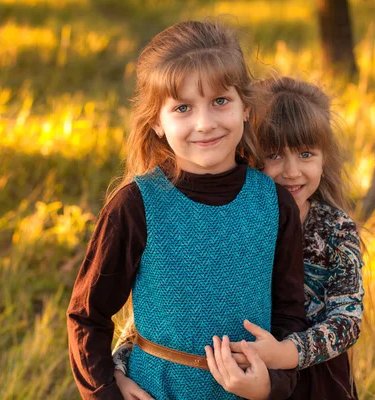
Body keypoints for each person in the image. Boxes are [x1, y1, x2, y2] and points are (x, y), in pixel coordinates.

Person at [66, 22, 309, 400]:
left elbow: (291, 318)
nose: (204, 123)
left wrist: (271, 387)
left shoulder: (274, 204)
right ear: (157, 124)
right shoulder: (135, 206)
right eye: (182, 108)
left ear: (246, 107)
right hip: (158, 390)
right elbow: (87, 316)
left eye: (220, 101)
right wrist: (107, 390)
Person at [112, 77, 364, 400]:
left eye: (305, 154)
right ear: (252, 154)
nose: (291, 171)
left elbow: (347, 320)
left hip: (315, 383)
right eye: (274, 156)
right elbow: (168, 308)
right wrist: (120, 364)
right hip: (237, 378)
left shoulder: (335, 229)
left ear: (324, 159)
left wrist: (282, 353)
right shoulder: (241, 218)